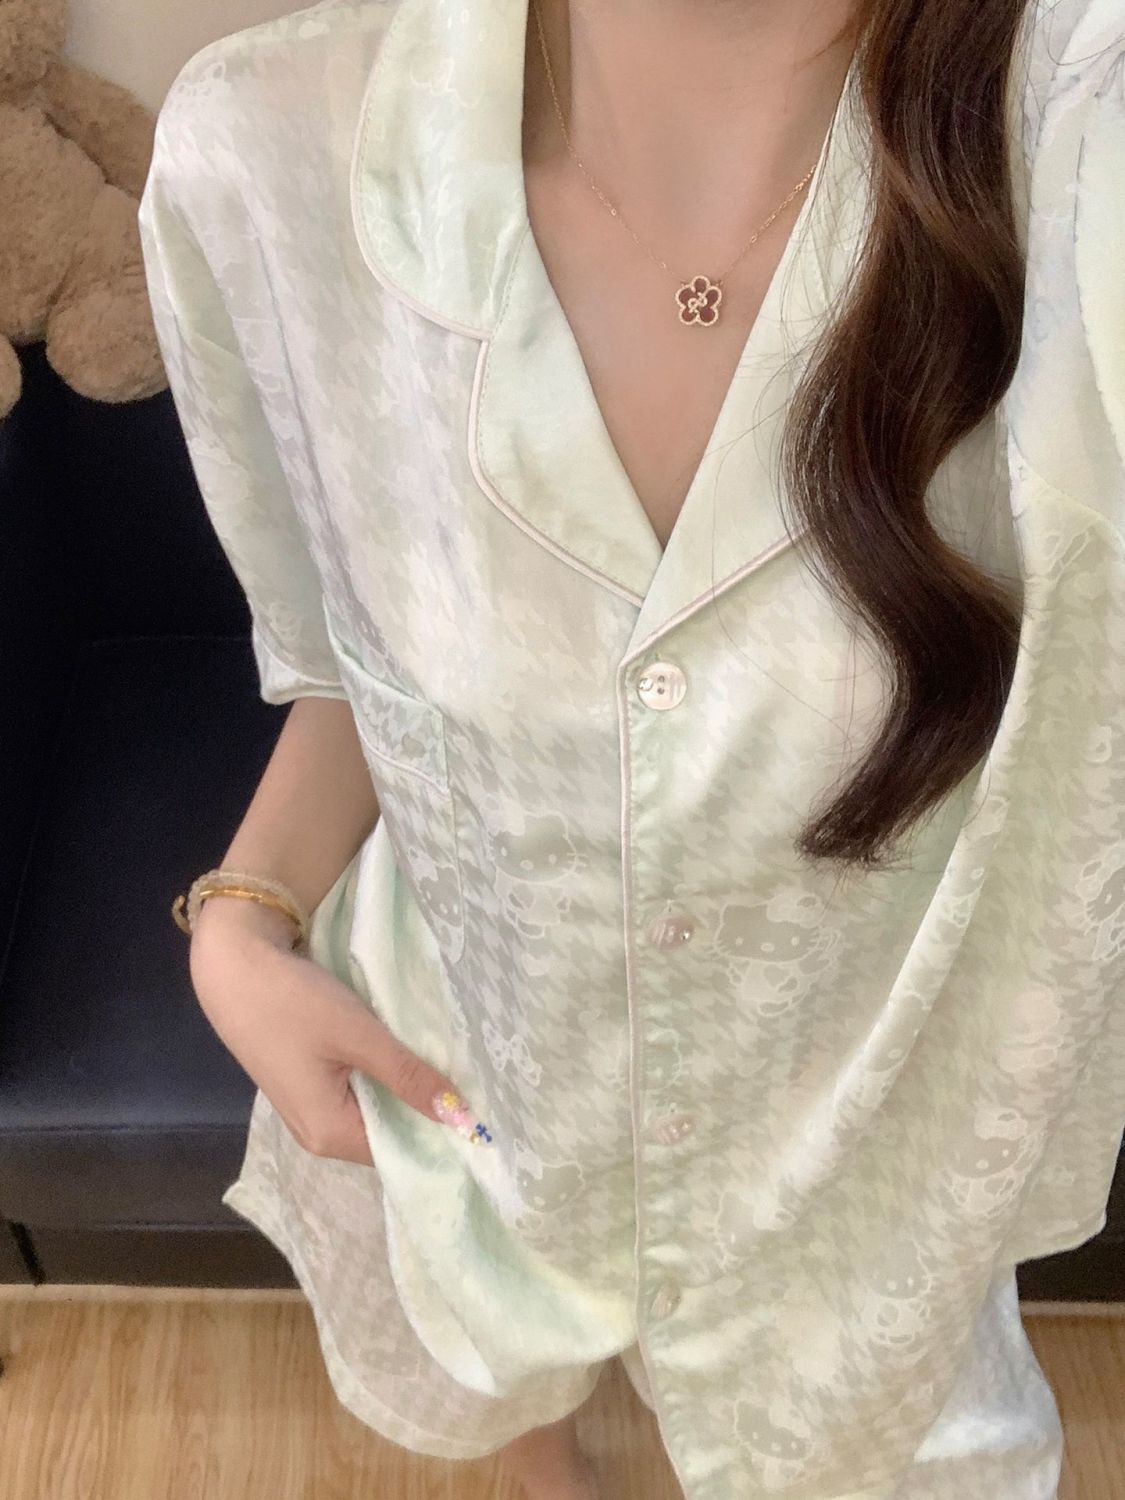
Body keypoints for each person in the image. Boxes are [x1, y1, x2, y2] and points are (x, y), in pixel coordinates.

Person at [139, 0, 1125, 1496]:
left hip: (853, 1169)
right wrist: (241, 913)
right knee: (501, 1377)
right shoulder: (268, 159)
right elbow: (353, 660)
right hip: (472, 1073)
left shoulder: (1070, 130)